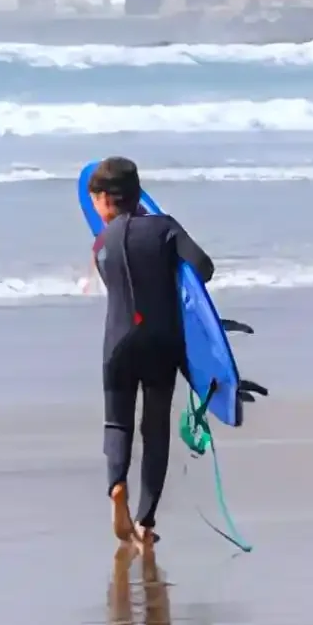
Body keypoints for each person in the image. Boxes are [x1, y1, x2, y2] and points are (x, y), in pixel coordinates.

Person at [88, 156, 215, 546]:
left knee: (118, 423)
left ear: (105, 200)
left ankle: (116, 488)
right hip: (163, 342)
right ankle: (145, 521)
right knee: (155, 428)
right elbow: (203, 268)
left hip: (119, 342)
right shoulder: (165, 228)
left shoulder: (101, 243)